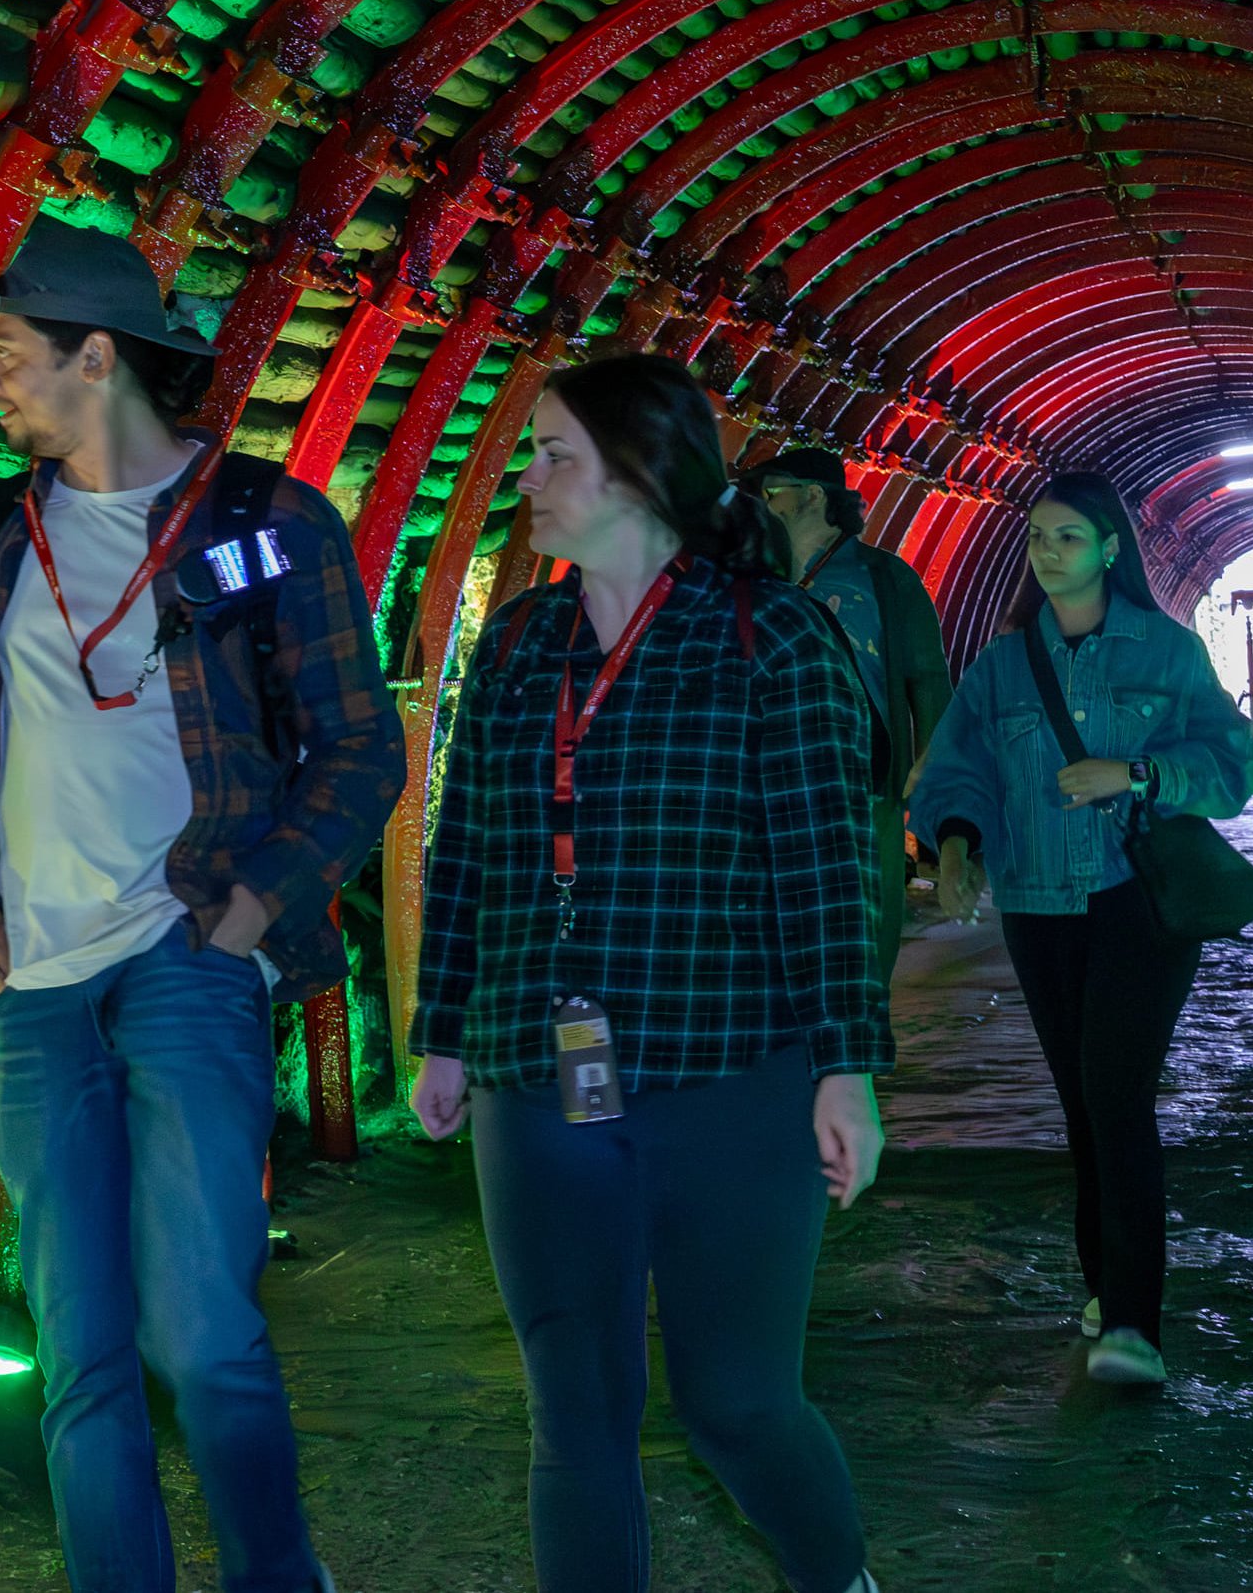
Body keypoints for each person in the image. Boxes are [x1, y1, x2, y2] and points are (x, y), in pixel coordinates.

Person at [0, 220, 402, 1593]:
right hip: (36, 986)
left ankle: (278, 1575)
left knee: (202, 1328)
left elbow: (361, 748)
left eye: (9, 355)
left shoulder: (264, 526)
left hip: (186, 952)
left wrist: (252, 907)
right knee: (81, 1347)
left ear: (96, 356)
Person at [408, 356, 889, 1593]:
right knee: (573, 1416)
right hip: (537, 1070)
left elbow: (829, 870)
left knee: (735, 1404)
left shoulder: (769, 640)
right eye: (531, 453)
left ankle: (837, 1578)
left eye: (554, 452)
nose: (527, 477)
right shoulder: (520, 644)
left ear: (639, 472)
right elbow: (465, 847)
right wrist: (443, 1029)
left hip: (724, 1072)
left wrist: (847, 1069)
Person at [911, 474, 1253, 1387]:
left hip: (1136, 902)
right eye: (1038, 535)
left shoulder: (1167, 653)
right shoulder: (1001, 666)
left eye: (1069, 535)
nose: (1048, 550)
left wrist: (1139, 774)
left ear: (1111, 547)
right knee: (1081, 1105)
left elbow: (1234, 763)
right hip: (1037, 905)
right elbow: (958, 766)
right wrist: (956, 843)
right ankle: (1106, 1290)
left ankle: (1136, 1323)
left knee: (1114, 1094)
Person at [748, 446, 955, 950]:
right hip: (765, 786)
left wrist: (934, 783)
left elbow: (928, 681)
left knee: (861, 933)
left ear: (815, 496)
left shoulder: (885, 579)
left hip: (864, 789)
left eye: (771, 493)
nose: (760, 504)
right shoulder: (751, 577)